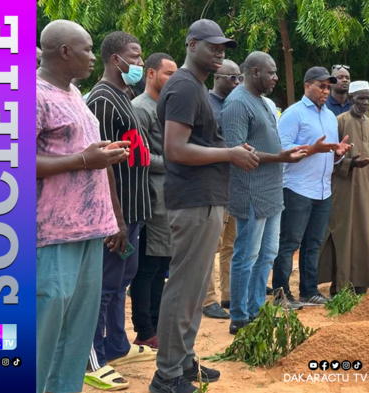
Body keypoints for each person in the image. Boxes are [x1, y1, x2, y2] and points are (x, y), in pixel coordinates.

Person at [150, 19, 258, 393]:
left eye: (223, 47)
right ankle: (166, 375)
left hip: (206, 199)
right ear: (192, 44)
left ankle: (183, 361)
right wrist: (228, 153)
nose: (220, 52)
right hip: (192, 201)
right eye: (213, 46)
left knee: (194, 290)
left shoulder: (192, 85)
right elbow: (175, 150)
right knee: (183, 289)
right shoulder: (182, 86)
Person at [36, 20, 130, 393]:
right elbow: (9, 162)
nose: (94, 57)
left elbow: (83, 152)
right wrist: (82, 161)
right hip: (52, 233)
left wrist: (101, 155)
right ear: (64, 52)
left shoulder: (75, 93)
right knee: (46, 326)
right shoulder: (30, 94)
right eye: (88, 49)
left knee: (76, 333)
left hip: (91, 230)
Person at [85, 31, 155, 386]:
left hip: (134, 210)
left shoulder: (123, 95)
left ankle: (114, 345)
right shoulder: (101, 100)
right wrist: (115, 218)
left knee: (122, 280)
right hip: (116, 215)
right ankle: (92, 358)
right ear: (116, 60)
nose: (141, 64)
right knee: (104, 284)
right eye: (136, 56)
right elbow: (102, 165)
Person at [222, 52, 308, 334]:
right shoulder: (236, 103)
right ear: (255, 71)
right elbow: (236, 151)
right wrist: (281, 157)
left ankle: (256, 307)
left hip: (271, 191)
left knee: (267, 253)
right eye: (271, 73)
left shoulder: (261, 102)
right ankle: (239, 315)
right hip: (250, 191)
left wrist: (282, 156)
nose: (275, 79)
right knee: (246, 254)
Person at [272, 66, 352, 307]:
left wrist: (337, 154)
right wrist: (313, 149)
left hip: (322, 190)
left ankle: (309, 291)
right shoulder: (293, 114)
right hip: (297, 188)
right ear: (308, 86)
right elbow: (282, 151)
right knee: (289, 243)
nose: (325, 91)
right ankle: (281, 295)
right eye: (321, 86)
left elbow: (327, 153)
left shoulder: (329, 117)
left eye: (328, 87)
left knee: (313, 243)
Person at [318, 81, 369, 292]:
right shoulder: (339, 121)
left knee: (365, 232)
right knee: (344, 233)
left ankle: (361, 282)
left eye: (368, 99)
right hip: (345, 188)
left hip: (368, 188)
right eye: (360, 98)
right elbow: (330, 157)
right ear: (351, 99)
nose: (364, 102)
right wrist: (350, 163)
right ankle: (341, 285)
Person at [130, 52, 177, 350]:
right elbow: (139, 157)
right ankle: (144, 329)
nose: (173, 80)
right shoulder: (140, 108)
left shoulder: (167, 106)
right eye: (168, 74)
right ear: (150, 74)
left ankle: (157, 323)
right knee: (148, 268)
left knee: (162, 268)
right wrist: (177, 160)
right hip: (151, 199)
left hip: (170, 198)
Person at [203, 59, 243, 320]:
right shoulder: (206, 105)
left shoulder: (234, 105)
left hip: (235, 183)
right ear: (217, 78)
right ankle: (207, 299)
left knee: (231, 242)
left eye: (240, 77)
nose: (238, 82)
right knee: (211, 244)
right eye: (233, 78)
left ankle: (228, 293)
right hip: (213, 184)